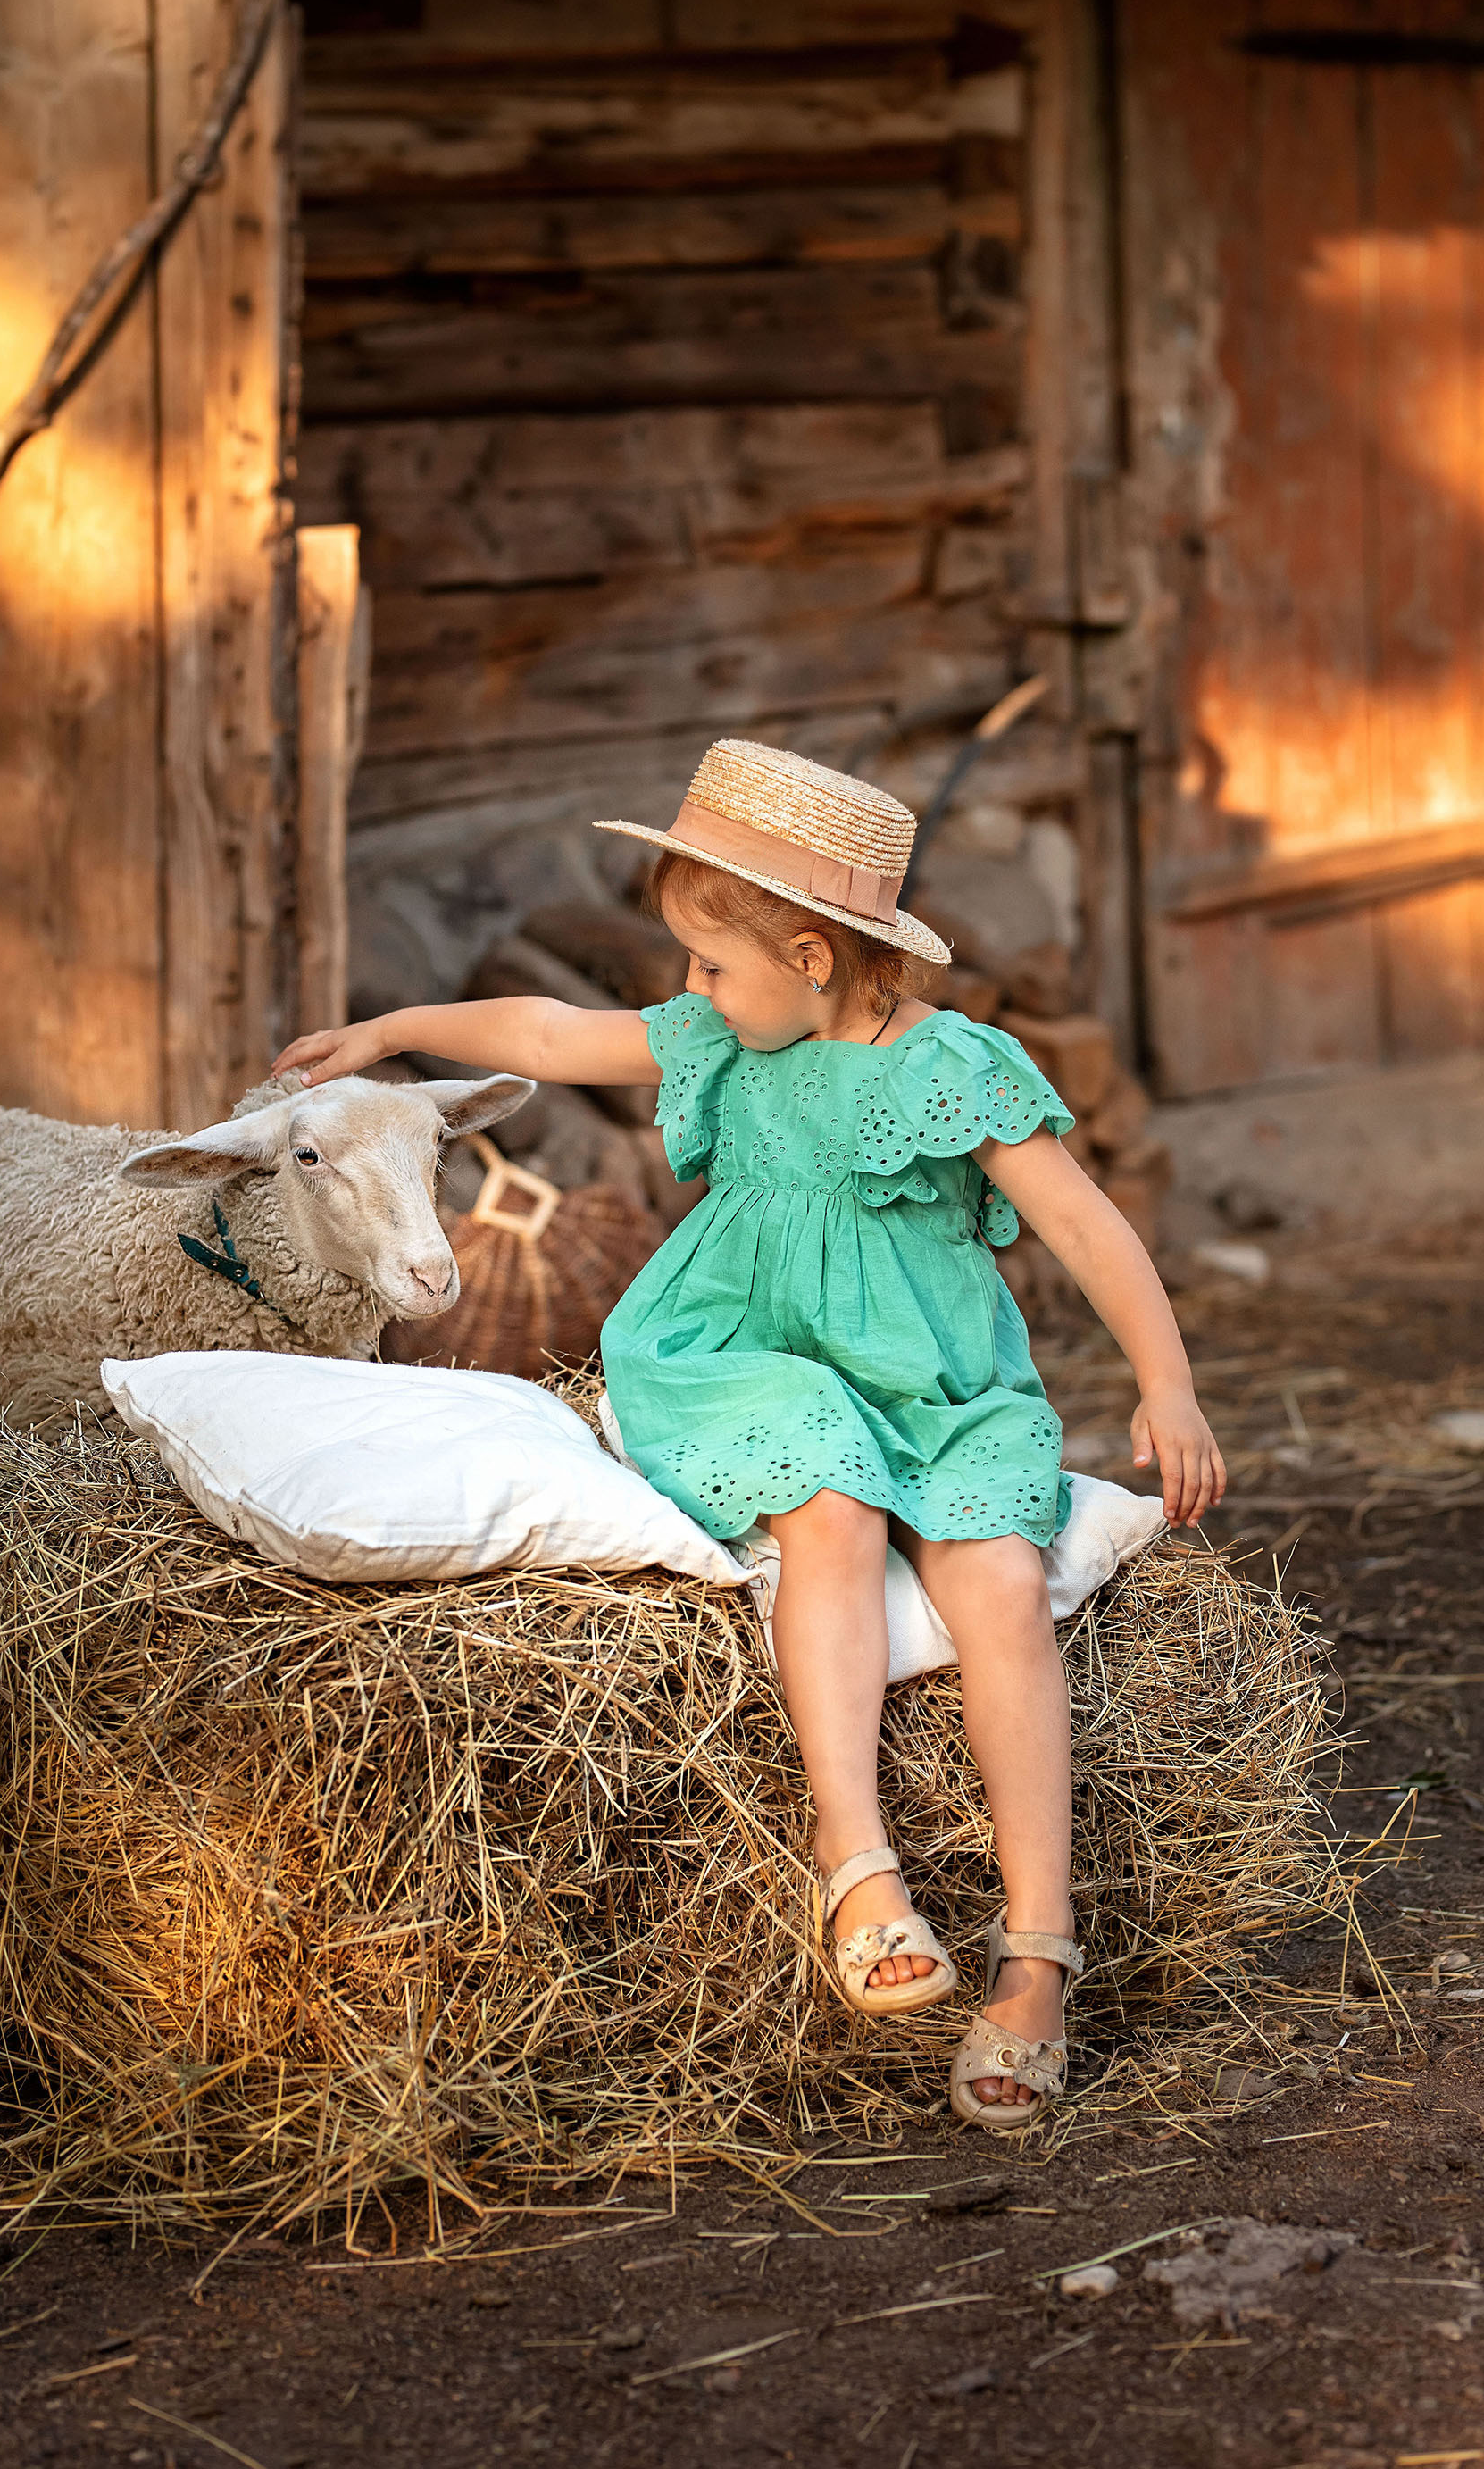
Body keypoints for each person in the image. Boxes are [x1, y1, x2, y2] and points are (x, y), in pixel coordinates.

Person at [274, 738, 1225, 2130]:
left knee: (1002, 1587)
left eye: (712, 965)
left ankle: (1036, 1954)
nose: (691, 991)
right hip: (746, 1355)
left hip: (935, 1379)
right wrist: (391, 1029)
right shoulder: (725, 1035)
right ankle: (860, 1861)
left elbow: (1084, 1223)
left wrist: (1169, 1384)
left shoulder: (954, 1068)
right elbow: (543, 1032)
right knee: (826, 1511)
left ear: (813, 955)